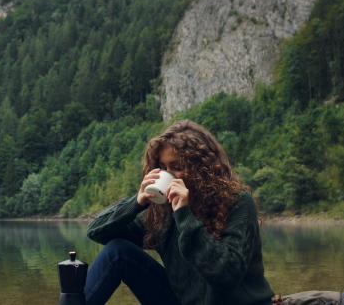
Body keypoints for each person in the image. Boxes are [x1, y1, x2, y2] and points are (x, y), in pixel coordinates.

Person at [84, 120, 274, 305]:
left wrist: (184, 214)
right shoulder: (163, 214)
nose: (168, 175)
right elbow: (96, 230)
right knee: (117, 251)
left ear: (202, 169)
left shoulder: (237, 202)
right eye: (162, 168)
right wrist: (136, 202)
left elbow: (226, 275)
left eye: (178, 167)